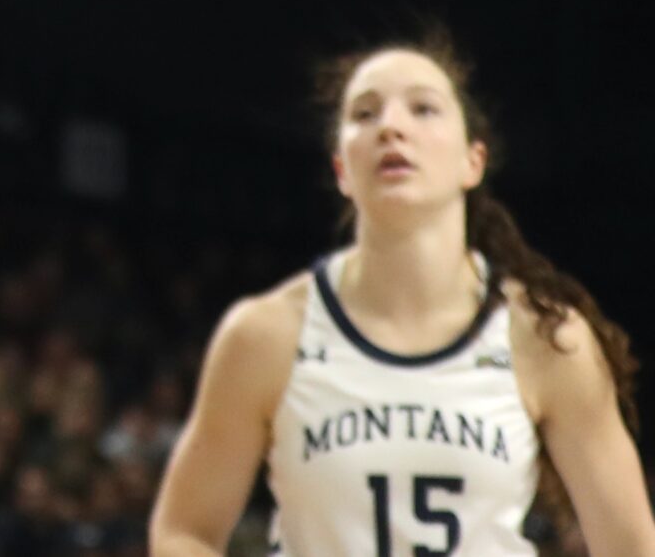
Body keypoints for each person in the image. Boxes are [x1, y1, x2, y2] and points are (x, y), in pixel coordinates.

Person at [150, 36, 655, 557]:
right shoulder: (265, 336)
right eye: (365, 114)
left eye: (423, 108)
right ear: (341, 171)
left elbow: (632, 547)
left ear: (473, 161)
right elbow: (183, 533)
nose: (391, 127)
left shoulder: (545, 338)